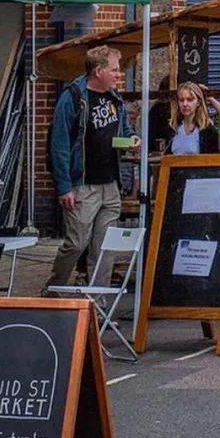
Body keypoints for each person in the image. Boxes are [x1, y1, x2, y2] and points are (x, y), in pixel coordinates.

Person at [45, 46, 137, 290]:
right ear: (98, 71)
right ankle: (54, 288)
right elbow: (60, 143)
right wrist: (64, 186)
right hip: (83, 185)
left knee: (105, 247)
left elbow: (125, 129)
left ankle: (97, 306)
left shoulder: (114, 98)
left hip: (110, 183)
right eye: (115, 70)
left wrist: (133, 140)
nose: (119, 75)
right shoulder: (73, 97)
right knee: (76, 243)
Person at [166, 82, 220, 154]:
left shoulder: (208, 131)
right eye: (181, 100)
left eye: (190, 100)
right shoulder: (172, 128)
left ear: (198, 102)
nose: (185, 104)